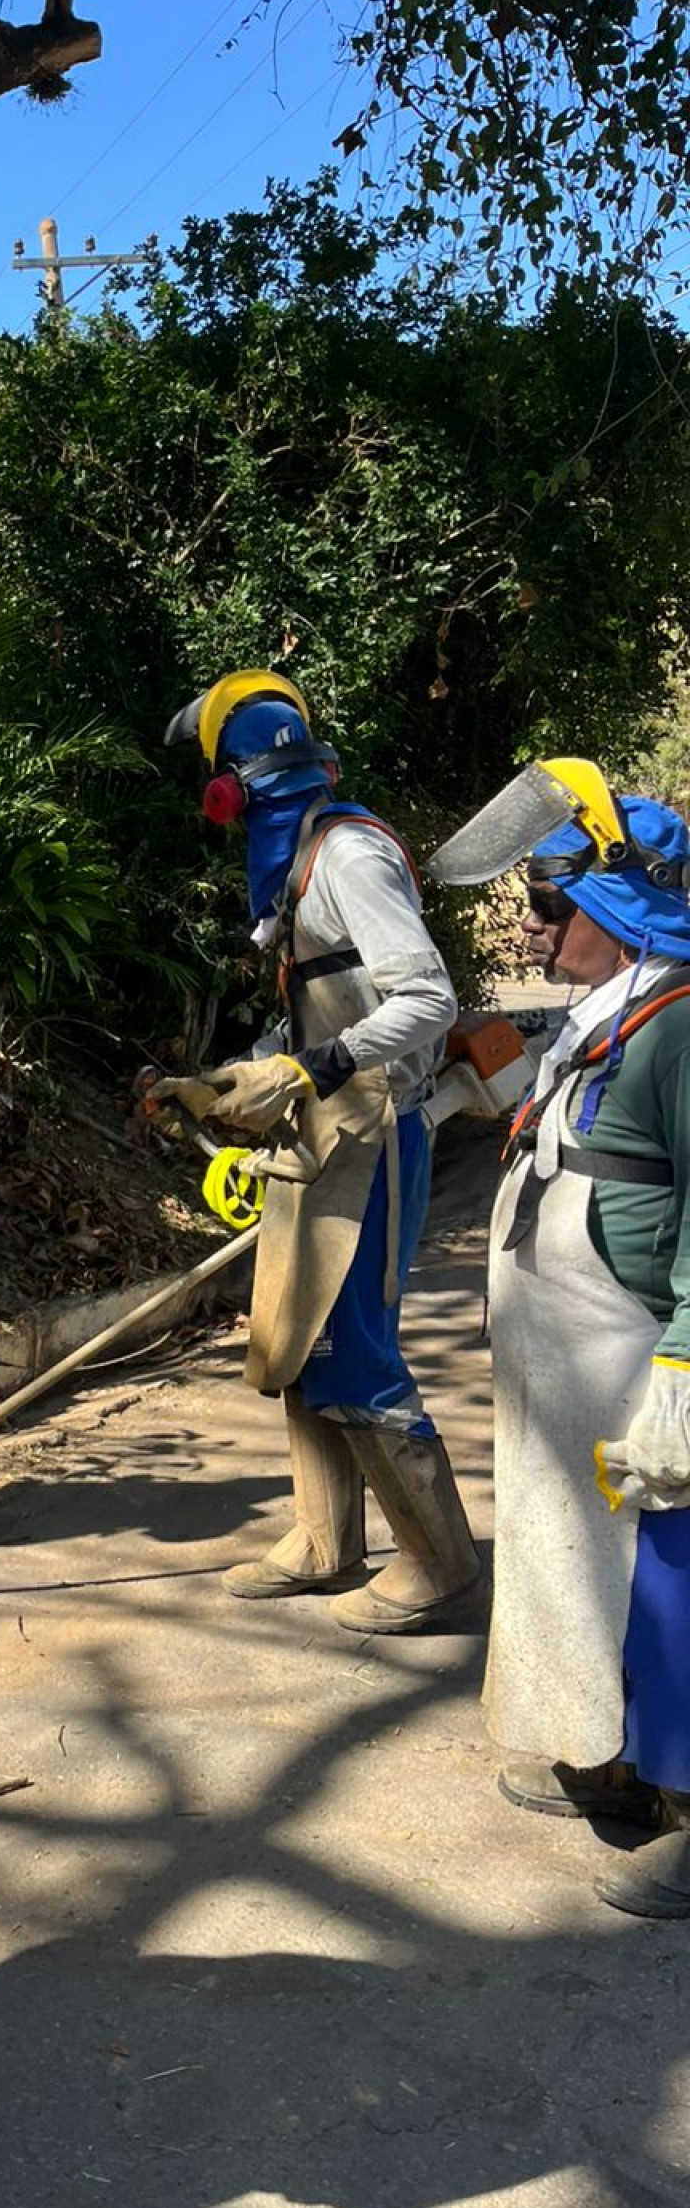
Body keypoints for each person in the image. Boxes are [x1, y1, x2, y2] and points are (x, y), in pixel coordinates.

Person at [153, 670, 478, 1633]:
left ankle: (439, 1561)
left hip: (376, 1132)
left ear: (238, 787)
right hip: (323, 1129)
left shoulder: (348, 858)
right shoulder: (302, 866)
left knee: (355, 1349)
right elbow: (320, 1014)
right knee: (297, 1342)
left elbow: (429, 1002)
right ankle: (325, 1539)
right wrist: (232, 1078)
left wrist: (310, 1069)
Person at [428, 760, 690, 1918]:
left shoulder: (680, 1027)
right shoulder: (609, 1014)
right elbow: (543, 1121)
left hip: (641, 1354)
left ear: (618, 908)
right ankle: (618, 1760)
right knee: (591, 1568)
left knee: (671, 1579)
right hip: (568, 1367)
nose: (532, 927)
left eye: (551, 906)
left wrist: (685, 1372)